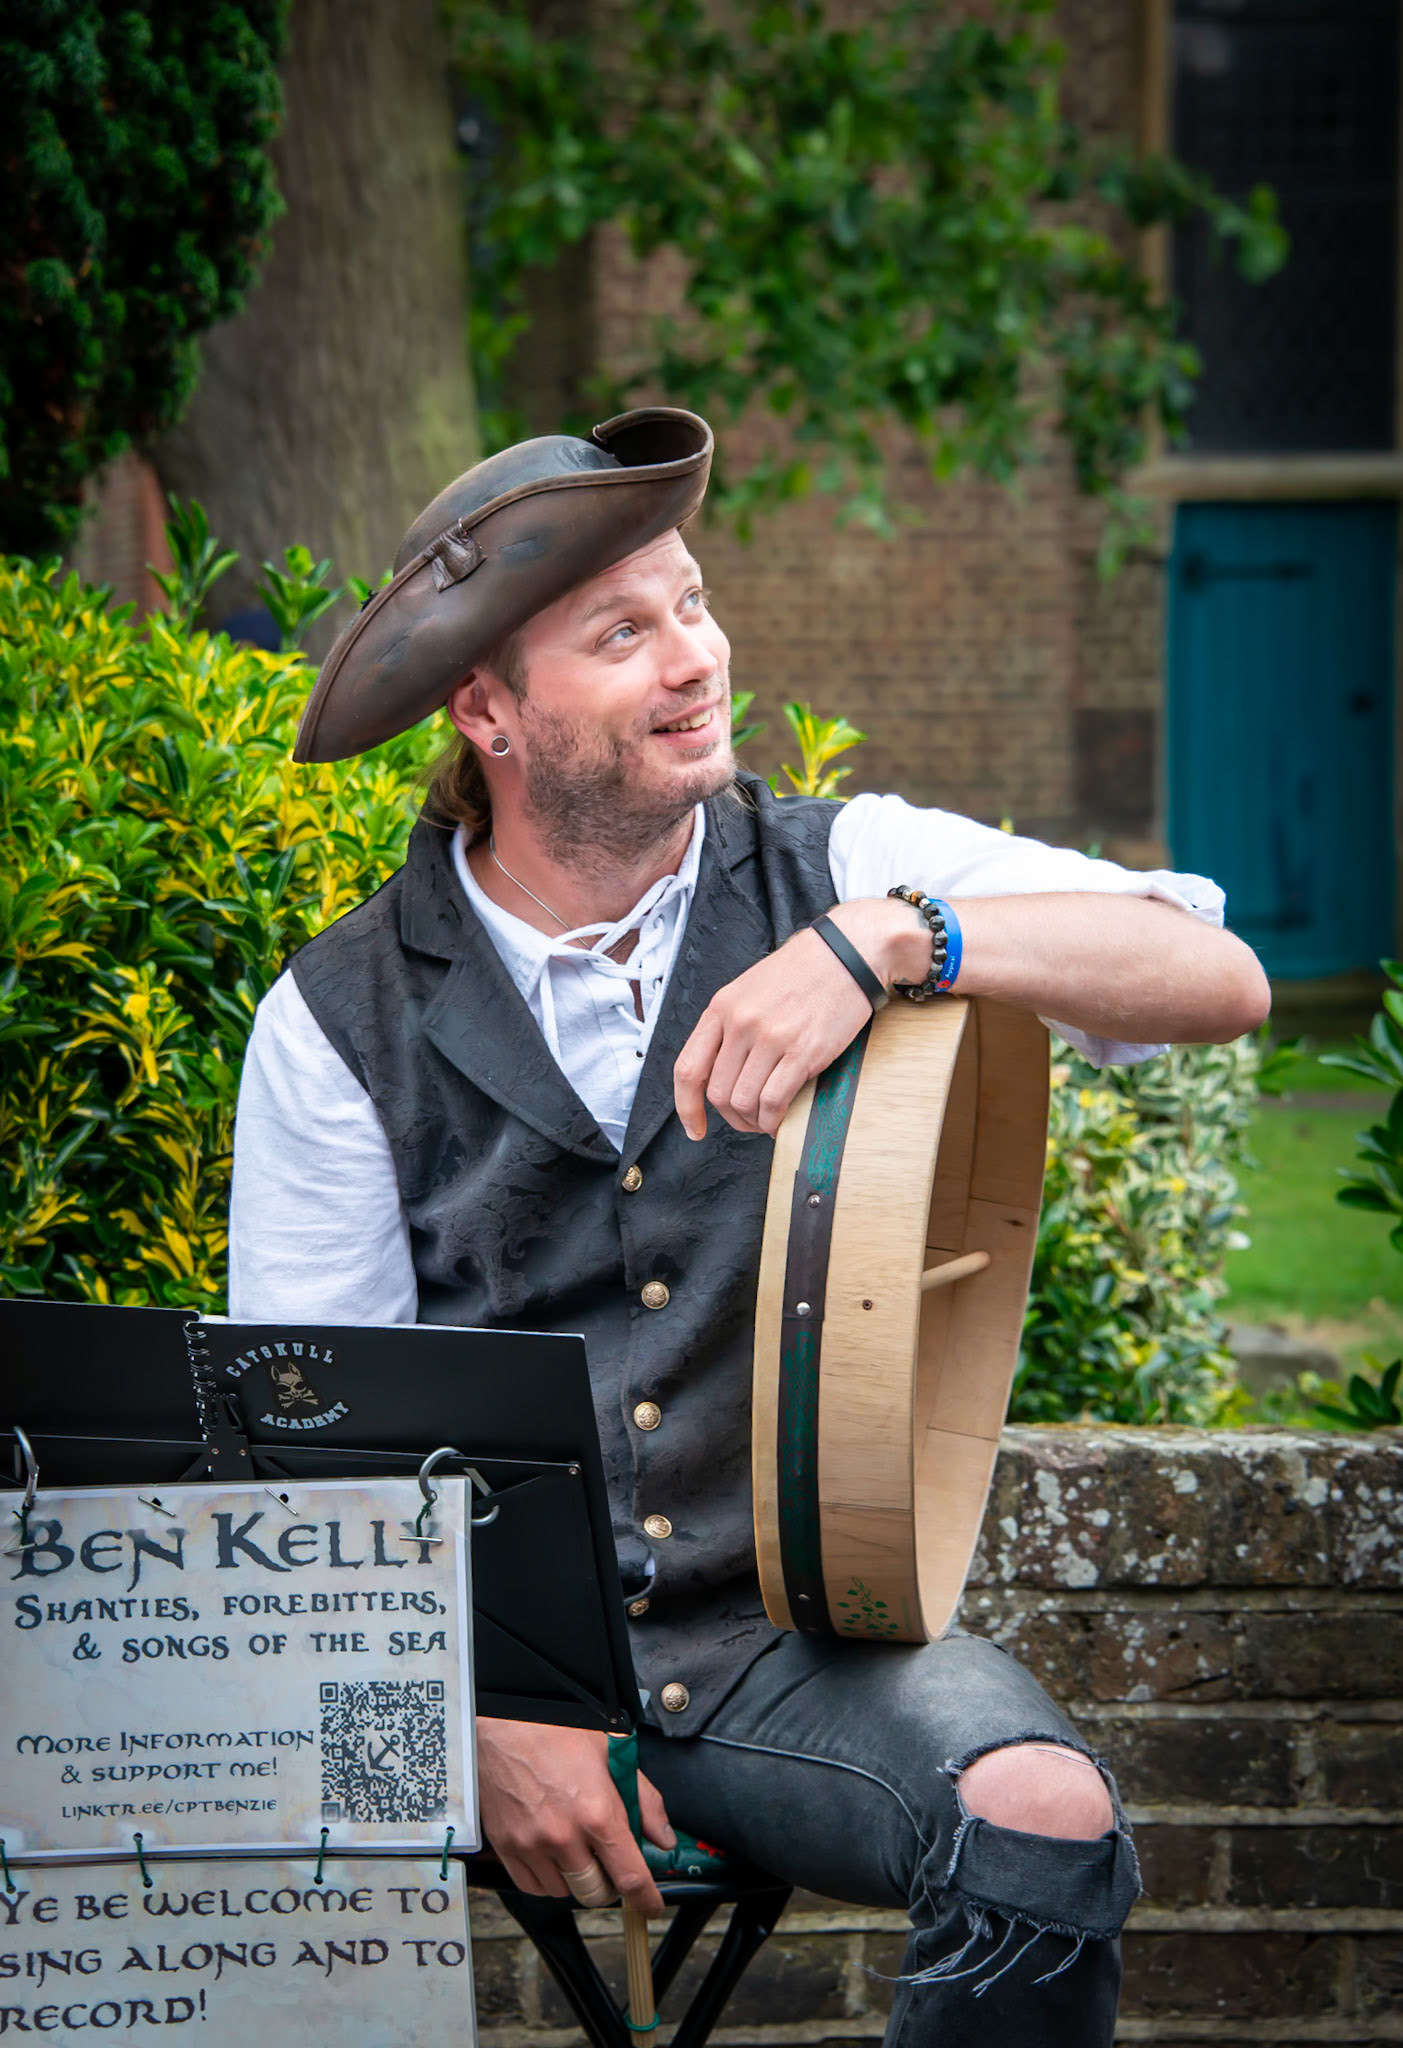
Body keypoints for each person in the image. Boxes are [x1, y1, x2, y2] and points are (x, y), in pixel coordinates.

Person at [229, 408, 1270, 2045]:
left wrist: (892, 942)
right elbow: (304, 1456)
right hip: (454, 1675)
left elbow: (1219, 979)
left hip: (777, 1657)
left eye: (693, 605)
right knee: (165, 1850)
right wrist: (476, 1708)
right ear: (485, 709)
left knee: (1043, 1821)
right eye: (624, 633)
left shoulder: (841, 865)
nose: (694, 659)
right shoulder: (333, 1016)